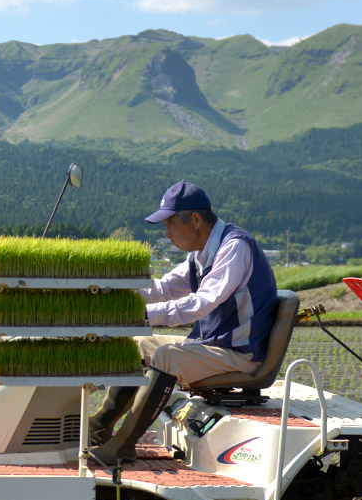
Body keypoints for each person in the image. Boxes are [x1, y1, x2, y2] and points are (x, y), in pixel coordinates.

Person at [89, 180, 279, 463]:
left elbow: (200, 304)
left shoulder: (233, 248)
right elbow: (164, 289)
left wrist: (140, 314)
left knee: (166, 357)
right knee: (139, 343)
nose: (167, 234)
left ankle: (124, 445)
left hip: (239, 353)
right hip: (214, 345)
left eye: (169, 225)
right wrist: (119, 297)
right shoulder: (200, 256)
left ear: (195, 219)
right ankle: (99, 427)